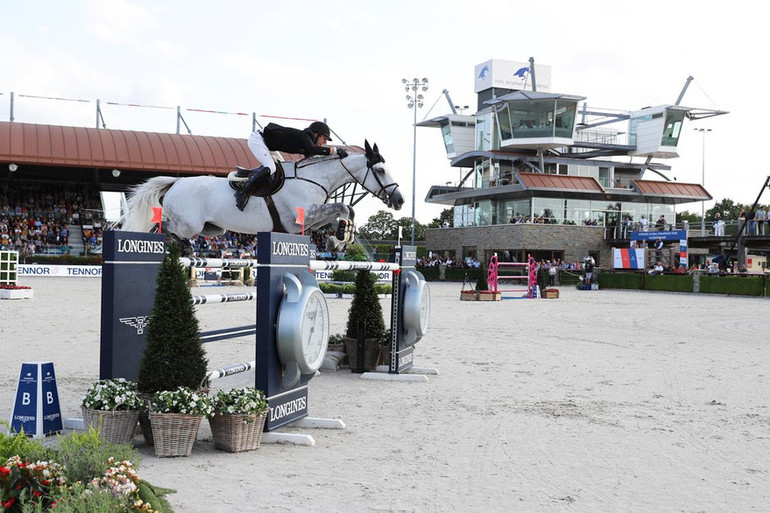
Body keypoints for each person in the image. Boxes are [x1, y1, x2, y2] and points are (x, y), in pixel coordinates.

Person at [234, 121, 348, 210]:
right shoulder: (305, 135)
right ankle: (243, 193)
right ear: (316, 133)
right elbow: (314, 149)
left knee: (284, 170)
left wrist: (336, 156)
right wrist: (335, 150)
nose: (325, 142)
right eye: (324, 138)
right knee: (271, 168)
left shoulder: (308, 143)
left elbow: (316, 157)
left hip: (268, 146)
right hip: (258, 139)